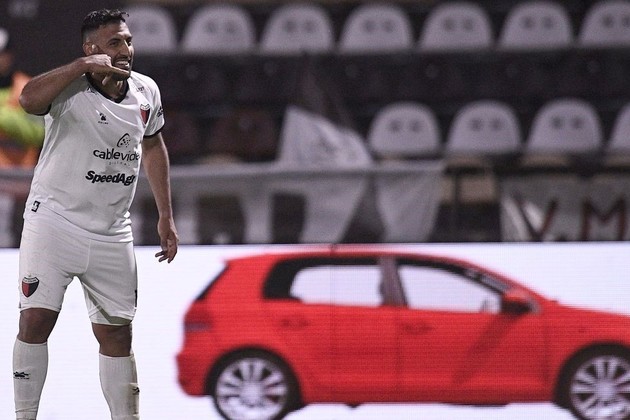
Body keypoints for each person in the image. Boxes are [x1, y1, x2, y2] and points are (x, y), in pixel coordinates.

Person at [13, 9, 179, 420]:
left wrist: (165, 216)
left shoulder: (146, 91)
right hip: (53, 222)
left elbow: (153, 146)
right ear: (91, 49)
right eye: (114, 43)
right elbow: (28, 99)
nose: (126, 50)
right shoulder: (69, 86)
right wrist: (79, 67)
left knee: (117, 334)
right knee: (35, 321)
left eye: (128, 41)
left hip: (111, 231)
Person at [0, 27, 45, 167]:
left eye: (1, 54)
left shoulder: (27, 88)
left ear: (9, 55)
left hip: (21, 174)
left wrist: (3, 116)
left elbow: (39, 132)